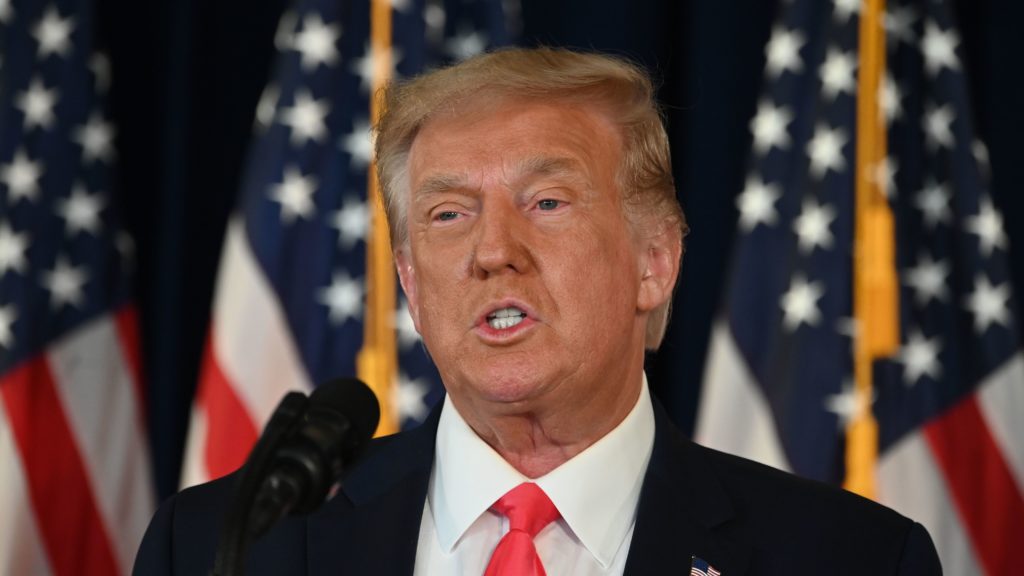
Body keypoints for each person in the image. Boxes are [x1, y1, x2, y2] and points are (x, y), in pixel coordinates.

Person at [133, 47, 942, 575]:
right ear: (411, 283)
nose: (493, 251)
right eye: (449, 215)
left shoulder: (852, 559)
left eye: (546, 201)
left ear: (654, 263)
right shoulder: (222, 548)